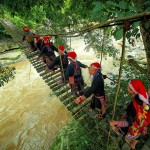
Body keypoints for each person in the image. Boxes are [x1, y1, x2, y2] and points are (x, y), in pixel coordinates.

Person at [109, 79, 150, 149]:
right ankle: (133, 144)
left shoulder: (135, 104)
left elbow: (129, 122)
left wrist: (116, 123)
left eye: (129, 86)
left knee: (125, 130)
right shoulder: (144, 98)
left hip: (135, 125)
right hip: (142, 122)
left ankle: (126, 137)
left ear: (132, 90)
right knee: (138, 132)